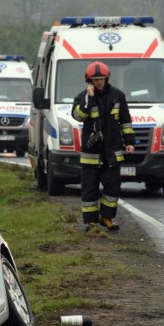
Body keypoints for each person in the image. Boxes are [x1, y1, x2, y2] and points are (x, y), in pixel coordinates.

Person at [72, 61, 135, 231]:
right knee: (89, 188)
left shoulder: (118, 96)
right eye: (95, 79)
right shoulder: (82, 97)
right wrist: (89, 98)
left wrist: (129, 141)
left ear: (107, 78)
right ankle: (90, 222)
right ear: (89, 81)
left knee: (113, 185)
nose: (99, 82)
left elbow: (125, 119)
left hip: (112, 151)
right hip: (91, 153)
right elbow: (78, 116)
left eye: (102, 79)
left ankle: (107, 218)